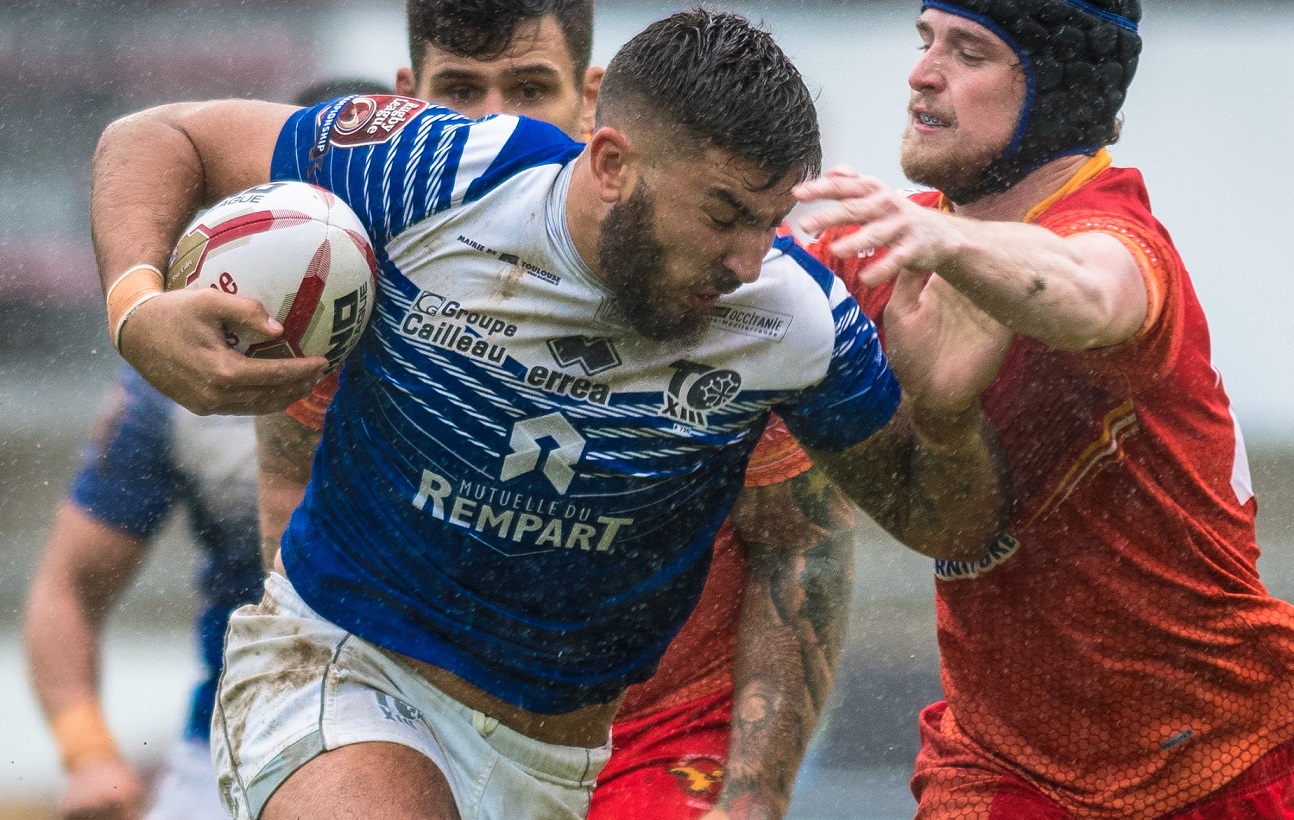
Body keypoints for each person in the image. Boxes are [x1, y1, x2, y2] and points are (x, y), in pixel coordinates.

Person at [90, 9, 1008, 819]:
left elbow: (945, 526)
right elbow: (159, 137)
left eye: (768, 223)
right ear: (611, 163)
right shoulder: (437, 171)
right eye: (724, 214)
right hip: (348, 672)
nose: (746, 260)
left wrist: (946, 413)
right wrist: (137, 311)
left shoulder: (793, 314)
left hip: (562, 760)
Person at [257, 4, 860, 818]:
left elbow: (801, 545)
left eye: (530, 89)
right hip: (406, 701)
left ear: (592, 105)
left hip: (659, 733)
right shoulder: (378, 260)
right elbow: (287, 490)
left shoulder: (736, 299)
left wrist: (755, 794)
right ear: (409, 97)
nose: (495, 119)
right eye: (459, 91)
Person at [796, 1, 1294, 816]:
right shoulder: (889, 246)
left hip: (1223, 753)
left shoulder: (1114, 235)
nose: (922, 74)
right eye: (925, 41)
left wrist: (954, 245)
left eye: (969, 52)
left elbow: (1093, 290)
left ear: (1055, 90)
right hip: (1002, 765)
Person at [23, 78, 392, 820]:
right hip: (228, 750)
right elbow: (67, 590)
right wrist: (90, 755)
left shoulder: (461, 369)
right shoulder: (175, 392)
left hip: (442, 742)